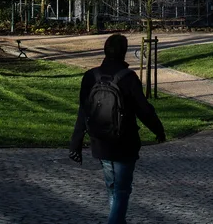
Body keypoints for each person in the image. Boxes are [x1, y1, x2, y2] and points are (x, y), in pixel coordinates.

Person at [69, 34, 166, 224]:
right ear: (124, 52)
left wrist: (76, 142)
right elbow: (143, 110)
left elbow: (83, 112)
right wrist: (158, 130)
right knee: (122, 190)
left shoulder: (91, 76)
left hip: (101, 142)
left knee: (113, 188)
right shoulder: (128, 78)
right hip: (124, 143)